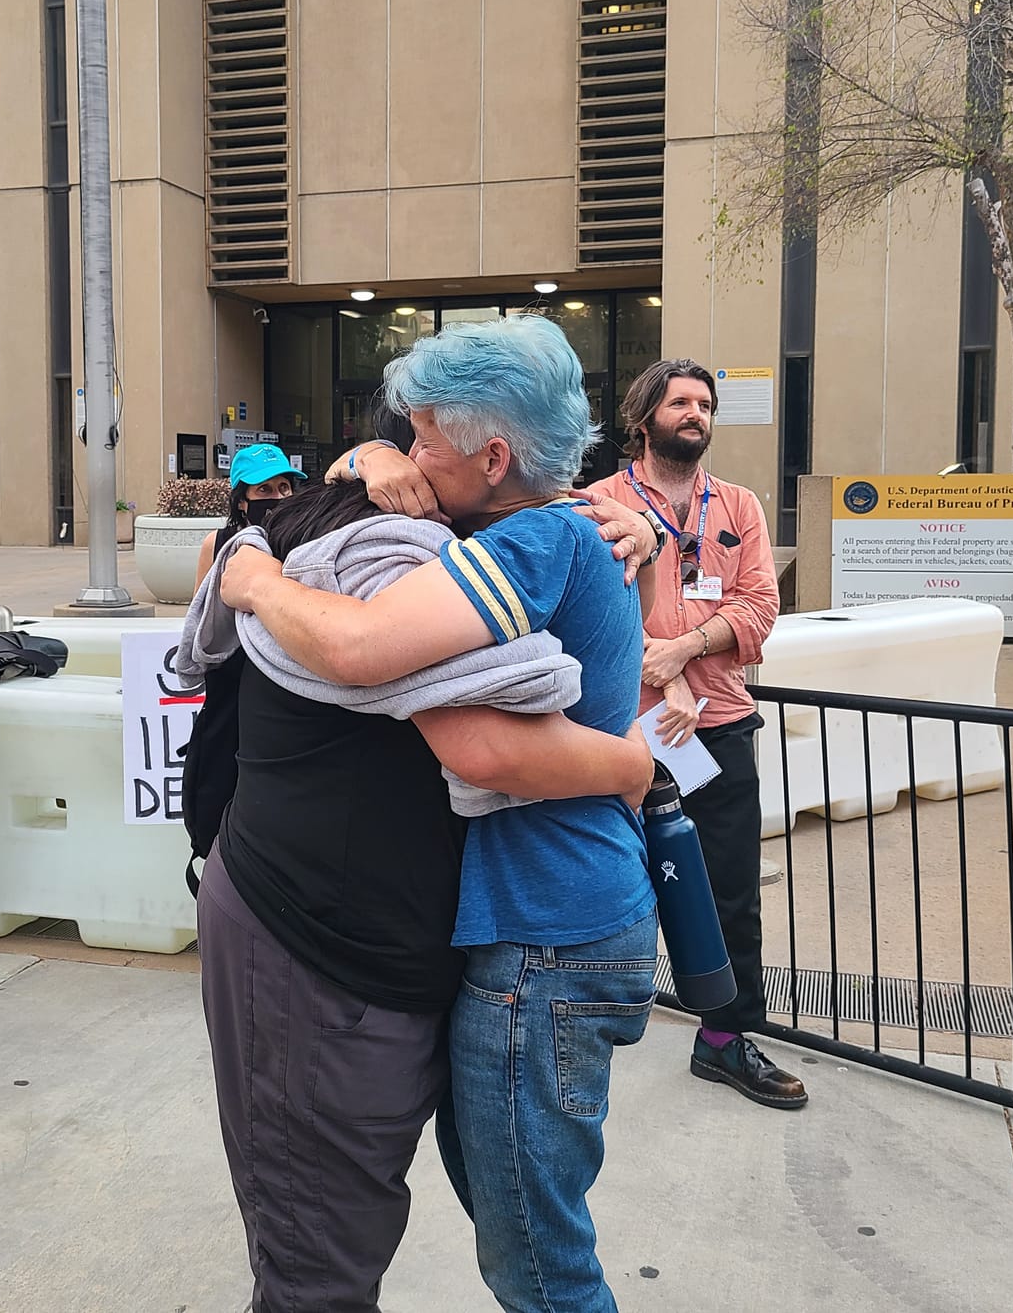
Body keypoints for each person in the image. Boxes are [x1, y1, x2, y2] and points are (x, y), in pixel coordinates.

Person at [222, 316, 663, 1313]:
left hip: (546, 935)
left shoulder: (537, 537)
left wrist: (249, 576)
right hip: (550, 926)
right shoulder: (556, 525)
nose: (410, 458)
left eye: (423, 437)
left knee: (535, 1262)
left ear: (493, 455)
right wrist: (371, 454)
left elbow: (378, 659)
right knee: (514, 1221)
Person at [583, 359, 798, 1109]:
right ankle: (585, 1023)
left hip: (719, 729)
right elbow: (587, 612)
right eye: (680, 402)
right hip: (623, 729)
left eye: (705, 404)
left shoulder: (737, 506)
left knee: (730, 892)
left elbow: (760, 607)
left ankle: (725, 1039)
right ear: (644, 418)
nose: (695, 414)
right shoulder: (598, 503)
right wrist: (660, 672)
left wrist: (689, 648)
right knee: (609, 884)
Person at [194, 441, 303, 590]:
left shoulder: (306, 541)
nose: (278, 497)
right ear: (240, 501)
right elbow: (201, 608)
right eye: (264, 489)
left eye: (284, 487)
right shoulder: (217, 544)